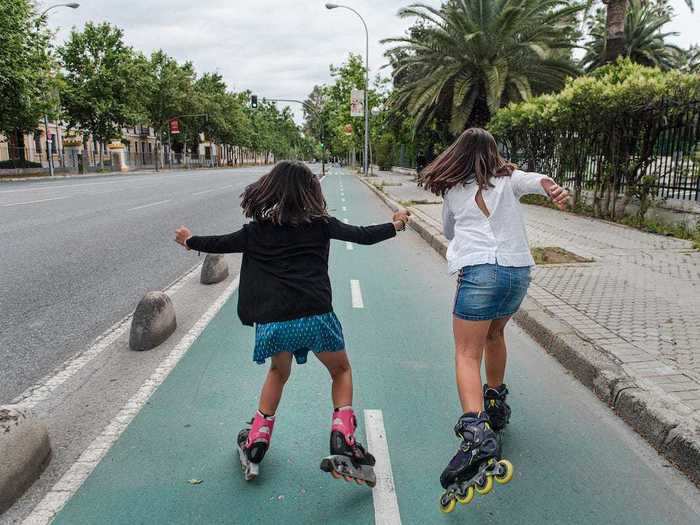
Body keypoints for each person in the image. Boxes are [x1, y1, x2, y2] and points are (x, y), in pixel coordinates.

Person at [174, 160, 410, 485]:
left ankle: (256, 441)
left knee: (278, 372)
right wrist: (397, 224)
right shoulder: (321, 224)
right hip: (316, 316)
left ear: (269, 189)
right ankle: (342, 438)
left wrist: (189, 240)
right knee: (340, 371)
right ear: (311, 193)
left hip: (273, 322)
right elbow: (363, 236)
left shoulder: (255, 231)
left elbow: (219, 243)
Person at [418, 128, 569, 512]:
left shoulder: (452, 189)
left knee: (466, 353)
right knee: (496, 334)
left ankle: (475, 433)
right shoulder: (508, 179)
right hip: (517, 273)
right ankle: (495, 404)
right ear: (492, 153)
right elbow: (536, 180)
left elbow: (451, 232)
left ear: (458, 154)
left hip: (480, 272)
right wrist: (552, 187)